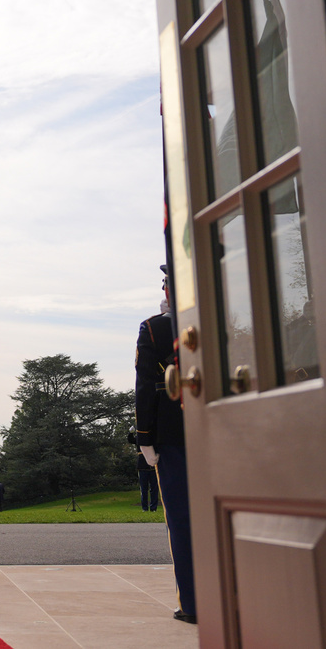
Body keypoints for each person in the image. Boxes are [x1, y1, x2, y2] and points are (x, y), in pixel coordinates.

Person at [136, 265, 196, 624]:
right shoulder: (220, 323)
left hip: (173, 435)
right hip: (218, 432)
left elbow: (145, 387)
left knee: (183, 519)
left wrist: (145, 438)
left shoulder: (155, 328)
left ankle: (193, 602)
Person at [128, 426, 159, 512]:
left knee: (154, 489)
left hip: (153, 466)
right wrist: (130, 433)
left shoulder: (153, 438)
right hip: (142, 466)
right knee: (144, 489)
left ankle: (153, 508)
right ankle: (144, 508)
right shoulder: (139, 438)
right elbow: (131, 440)